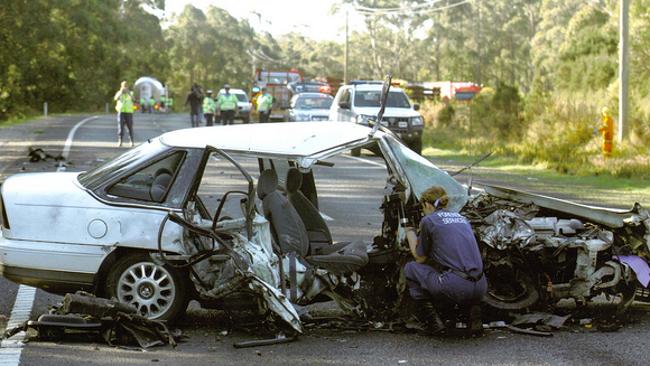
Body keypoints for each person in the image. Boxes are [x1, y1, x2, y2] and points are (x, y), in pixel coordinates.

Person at [403, 185, 487, 334]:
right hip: (481, 286)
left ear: (427, 205)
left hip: (456, 287)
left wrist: (409, 231)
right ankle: (475, 317)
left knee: (411, 268)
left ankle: (433, 323)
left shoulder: (429, 221)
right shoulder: (462, 218)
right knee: (450, 271)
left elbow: (420, 257)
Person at [113, 81, 136, 147]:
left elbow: (134, 99)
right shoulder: (119, 93)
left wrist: (129, 93)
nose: (125, 87)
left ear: (127, 86)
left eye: (126, 86)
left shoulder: (130, 93)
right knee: (121, 127)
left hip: (129, 112)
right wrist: (120, 92)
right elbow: (115, 99)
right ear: (121, 86)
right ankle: (120, 141)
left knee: (130, 127)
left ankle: (131, 141)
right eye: (124, 86)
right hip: (121, 112)